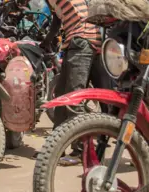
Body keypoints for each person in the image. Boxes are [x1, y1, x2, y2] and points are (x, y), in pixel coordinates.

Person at [40, 0, 112, 166]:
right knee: (61, 97)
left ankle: (80, 151)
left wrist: (46, 42)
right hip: (86, 41)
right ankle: (55, 148)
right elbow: (57, 21)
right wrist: (46, 41)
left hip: (82, 41)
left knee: (73, 98)